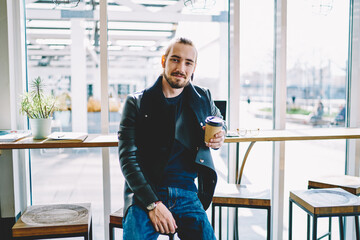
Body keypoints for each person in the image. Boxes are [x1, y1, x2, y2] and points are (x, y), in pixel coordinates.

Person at [118, 37, 226, 239]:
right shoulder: (137, 102)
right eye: (175, 60)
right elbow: (127, 160)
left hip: (187, 192)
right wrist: (153, 203)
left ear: (194, 67)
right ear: (163, 61)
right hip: (146, 193)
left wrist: (221, 135)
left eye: (188, 63)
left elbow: (220, 120)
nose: (181, 68)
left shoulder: (203, 97)